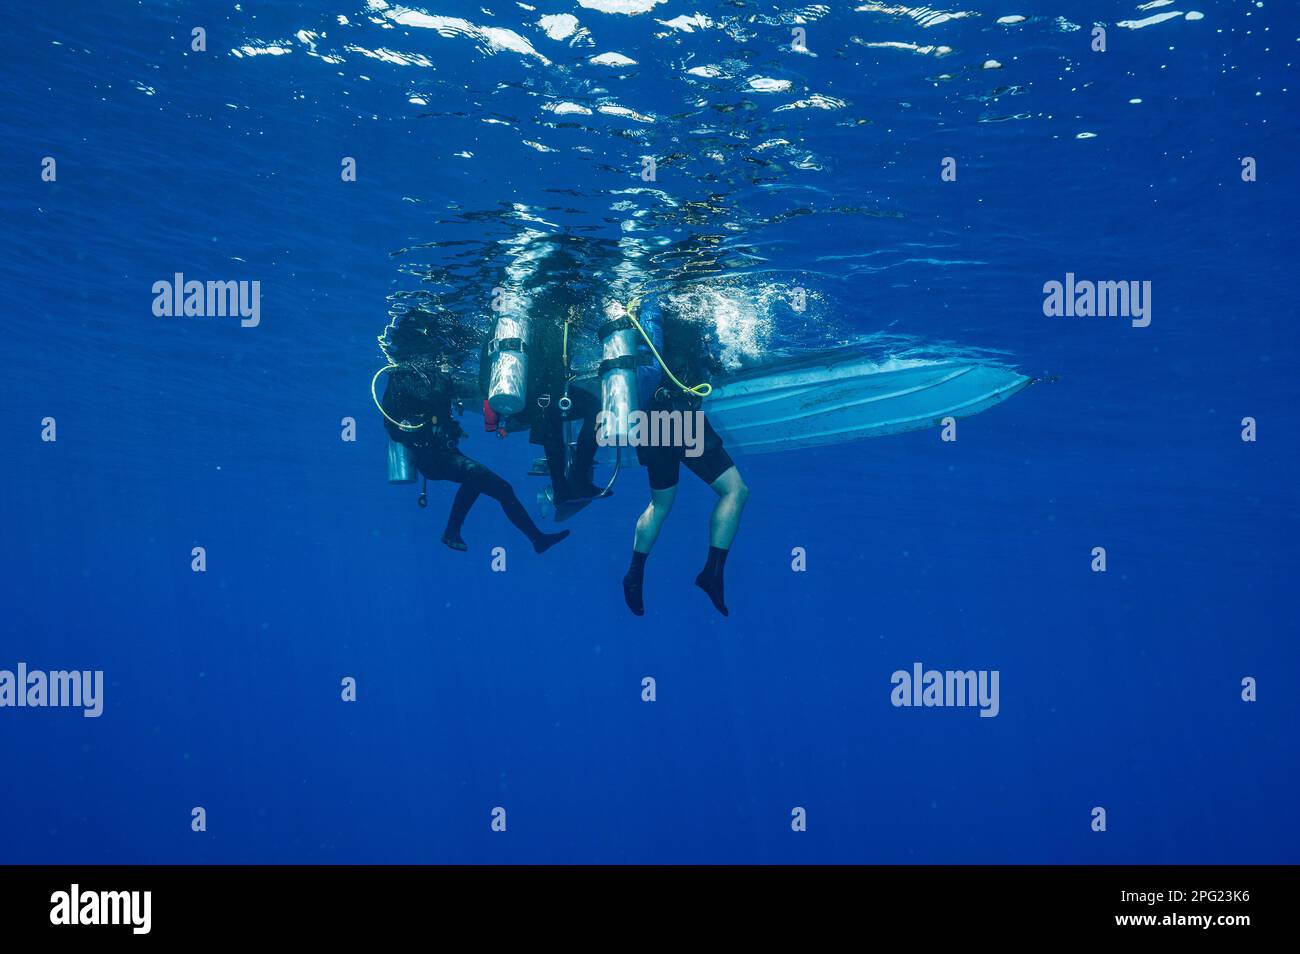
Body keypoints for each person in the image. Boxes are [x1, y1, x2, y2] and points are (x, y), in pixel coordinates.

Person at [619, 298, 748, 617]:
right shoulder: (690, 309)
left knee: (660, 505)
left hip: (649, 421)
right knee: (735, 491)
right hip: (678, 418)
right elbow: (704, 360)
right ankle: (712, 573)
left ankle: (634, 574)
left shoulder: (657, 314)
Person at [380, 352, 569, 555]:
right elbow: (434, 396)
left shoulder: (421, 375)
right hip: (429, 457)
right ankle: (452, 531)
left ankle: (537, 539)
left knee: (501, 488)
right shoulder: (404, 376)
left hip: (442, 452)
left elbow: (450, 394)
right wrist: (445, 373)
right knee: (476, 475)